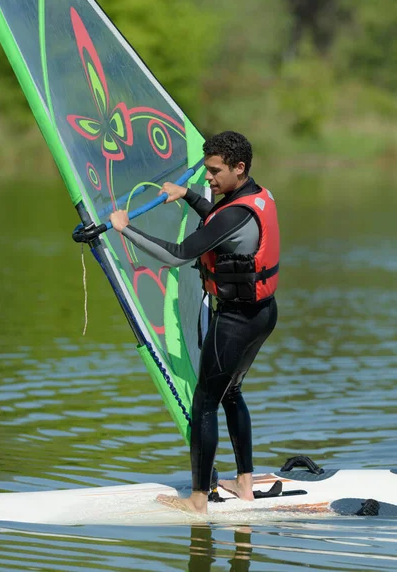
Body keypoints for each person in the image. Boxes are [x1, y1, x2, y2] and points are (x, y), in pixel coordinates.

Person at [109, 131, 280, 515]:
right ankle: (244, 483)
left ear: (239, 168)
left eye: (216, 171)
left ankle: (198, 500)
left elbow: (178, 255)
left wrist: (125, 228)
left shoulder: (235, 211)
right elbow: (221, 222)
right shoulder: (252, 197)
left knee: (205, 402)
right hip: (262, 313)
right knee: (231, 393)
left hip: (237, 320)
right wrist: (187, 195)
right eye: (206, 170)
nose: (209, 178)